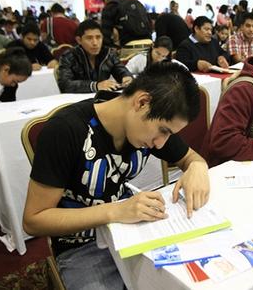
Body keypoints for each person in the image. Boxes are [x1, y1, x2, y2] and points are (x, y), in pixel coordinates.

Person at [23, 62, 210, 290]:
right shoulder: (66, 131)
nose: (161, 143)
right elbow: (33, 220)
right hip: (82, 244)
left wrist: (198, 167)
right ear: (142, 102)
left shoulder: (146, 125)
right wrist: (116, 211)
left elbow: (191, 158)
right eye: (163, 130)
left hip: (133, 232)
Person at [58, 20, 133, 93]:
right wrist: (95, 86)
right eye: (89, 38)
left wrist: (127, 78)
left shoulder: (109, 54)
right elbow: (65, 85)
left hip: (103, 99)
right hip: (77, 101)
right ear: (79, 40)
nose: (95, 43)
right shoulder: (69, 56)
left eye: (98, 37)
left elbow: (122, 71)